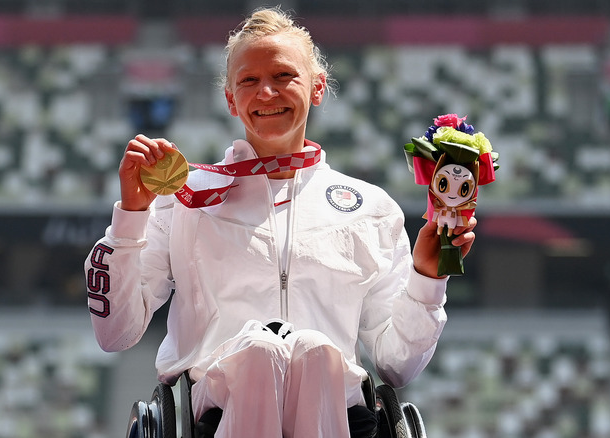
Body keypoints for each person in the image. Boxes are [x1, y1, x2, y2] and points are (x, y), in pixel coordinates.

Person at [84, 7, 477, 438]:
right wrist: (131, 216)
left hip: (338, 413)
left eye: (284, 76)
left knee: (314, 352)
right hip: (217, 417)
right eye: (249, 81)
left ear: (318, 87)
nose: (267, 92)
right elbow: (116, 332)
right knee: (259, 351)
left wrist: (427, 277)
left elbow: (397, 366)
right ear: (231, 99)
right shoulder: (185, 199)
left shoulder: (371, 208)